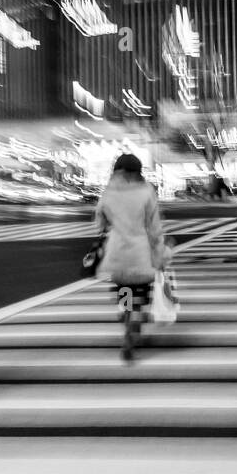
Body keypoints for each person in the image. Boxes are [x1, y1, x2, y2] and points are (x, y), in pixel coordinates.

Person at [94, 153, 165, 363]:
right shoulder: (146, 191)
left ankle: (127, 330)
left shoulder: (109, 192)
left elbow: (99, 223)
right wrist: (160, 253)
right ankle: (136, 321)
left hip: (118, 253)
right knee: (141, 294)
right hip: (141, 252)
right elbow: (154, 227)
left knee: (125, 294)